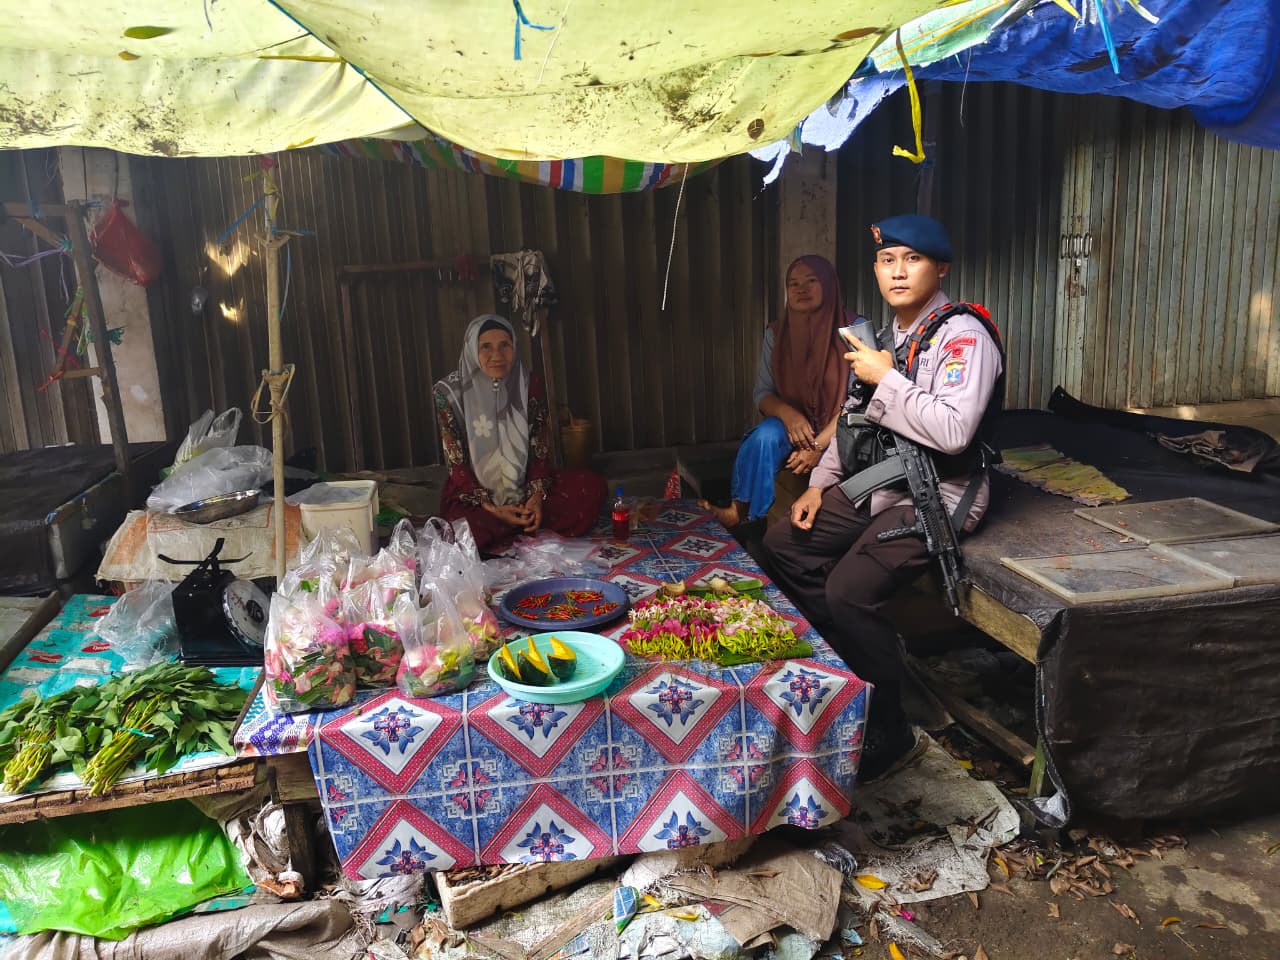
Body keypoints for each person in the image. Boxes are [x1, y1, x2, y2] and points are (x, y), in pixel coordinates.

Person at [763, 215, 1005, 782]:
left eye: (912, 260)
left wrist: (886, 378)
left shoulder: (962, 335)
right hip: (887, 480)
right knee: (783, 543)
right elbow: (853, 424)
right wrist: (820, 487)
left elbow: (952, 433)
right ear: (875, 270)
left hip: (941, 493)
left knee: (849, 589)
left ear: (939, 268)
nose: (897, 271)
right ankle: (857, 666)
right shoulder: (888, 338)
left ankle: (889, 723)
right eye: (886, 260)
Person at [702, 255, 862, 528]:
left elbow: (859, 403)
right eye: (793, 283)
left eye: (811, 281)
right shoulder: (777, 334)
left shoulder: (855, 330)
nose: (801, 289)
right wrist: (789, 415)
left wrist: (817, 445)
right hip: (795, 429)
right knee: (764, 436)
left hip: (843, 428)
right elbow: (762, 393)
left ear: (829, 285)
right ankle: (739, 512)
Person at [434, 314, 607, 555]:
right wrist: (492, 507)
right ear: (473, 350)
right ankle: (514, 527)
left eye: (505, 345)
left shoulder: (528, 384)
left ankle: (514, 525)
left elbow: (540, 448)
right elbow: (456, 464)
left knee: (591, 487)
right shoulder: (449, 394)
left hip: (525, 488)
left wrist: (535, 498)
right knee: (461, 531)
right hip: (477, 498)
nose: (497, 355)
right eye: (486, 347)